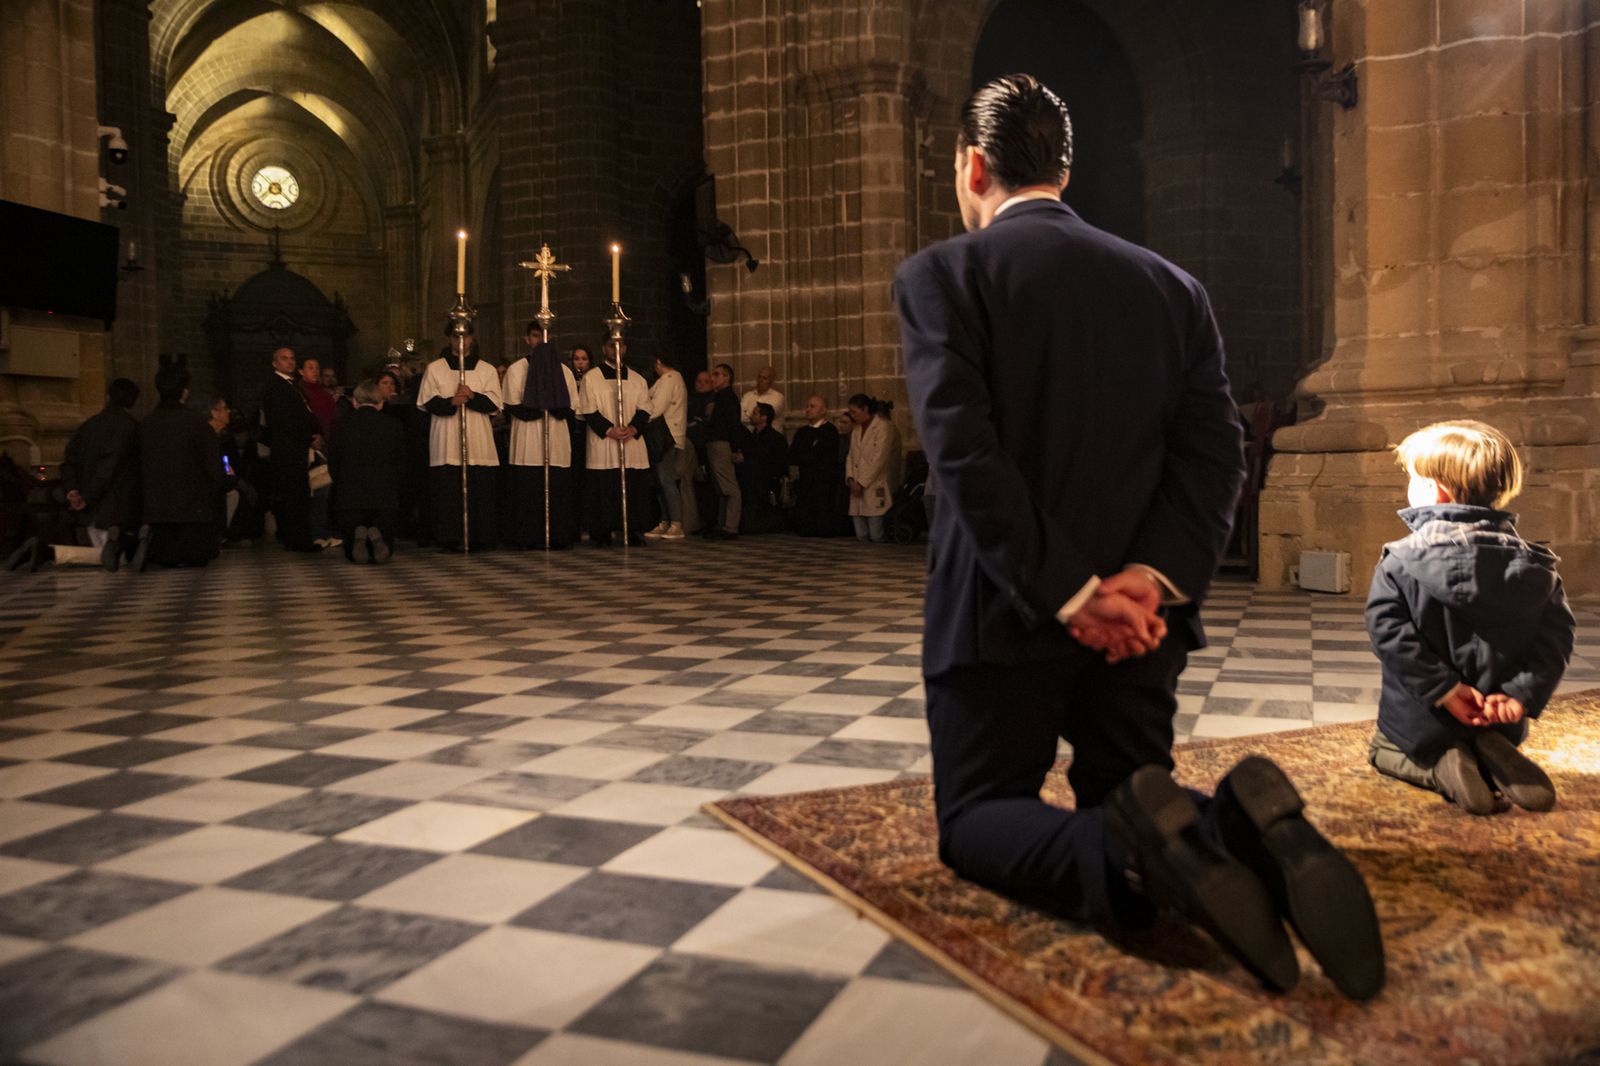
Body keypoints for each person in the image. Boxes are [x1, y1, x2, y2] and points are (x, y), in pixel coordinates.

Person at [896, 73, 1383, 1001]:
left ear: (972, 168)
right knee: (1129, 776)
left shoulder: (942, 277)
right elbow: (1217, 458)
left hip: (1003, 614)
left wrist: (1074, 596)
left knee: (978, 818)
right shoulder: (1173, 288)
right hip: (1145, 632)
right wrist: (1146, 586)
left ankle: (1129, 853)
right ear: (1065, 172)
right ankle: (1246, 829)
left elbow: (965, 456)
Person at [1365, 420, 1574, 816]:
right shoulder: (1537, 566)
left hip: (1426, 716)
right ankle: (1489, 749)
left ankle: (1442, 768)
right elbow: (1557, 638)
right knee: (1489, 733)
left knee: (1383, 749)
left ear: (1433, 489)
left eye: (1412, 476)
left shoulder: (1402, 560)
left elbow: (1388, 633)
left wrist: (1444, 689)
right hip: (1499, 714)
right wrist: (1521, 694)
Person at [132, 364, 222, 570]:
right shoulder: (197, 424)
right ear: (185, 392)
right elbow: (212, 466)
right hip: (192, 512)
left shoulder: (146, 424)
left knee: (164, 557)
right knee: (194, 558)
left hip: (157, 511)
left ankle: (146, 541)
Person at [418, 333, 502, 551]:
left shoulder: (487, 369)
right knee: (448, 494)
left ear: (472, 339)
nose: (461, 342)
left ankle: (480, 537)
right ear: (449, 339)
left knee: (479, 492)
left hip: (478, 440)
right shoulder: (435, 368)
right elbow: (427, 402)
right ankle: (449, 538)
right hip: (447, 440)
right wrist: (452, 402)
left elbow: (494, 404)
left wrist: (472, 396)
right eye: (456, 337)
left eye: (465, 337)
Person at [503, 323, 580, 549]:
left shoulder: (563, 371)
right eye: (536, 336)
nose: (541, 340)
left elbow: (570, 407)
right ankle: (527, 536)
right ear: (527, 339)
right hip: (528, 441)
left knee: (558, 491)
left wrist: (551, 404)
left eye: (545, 336)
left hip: (555, 440)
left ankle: (558, 536)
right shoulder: (517, 370)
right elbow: (513, 405)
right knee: (529, 492)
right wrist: (541, 404)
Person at [579, 337, 654, 546]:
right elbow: (588, 409)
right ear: (604, 348)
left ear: (626, 348)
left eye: (620, 345)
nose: (616, 349)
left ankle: (631, 529)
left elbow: (645, 408)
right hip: (604, 443)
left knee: (633, 488)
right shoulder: (592, 377)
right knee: (604, 488)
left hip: (631, 442)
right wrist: (609, 430)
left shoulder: (638, 379)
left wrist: (633, 428)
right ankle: (601, 531)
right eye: (612, 345)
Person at [60, 377, 142, 570]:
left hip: (89, 511)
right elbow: (109, 468)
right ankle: (48, 553)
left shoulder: (88, 426)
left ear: (108, 397)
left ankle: (49, 552)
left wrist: (72, 490)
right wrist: (88, 497)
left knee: (101, 556)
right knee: (117, 560)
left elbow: (69, 459)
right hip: (115, 507)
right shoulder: (130, 427)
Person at [328, 379, 406, 563]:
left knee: (351, 554)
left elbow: (334, 461)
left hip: (351, 498)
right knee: (386, 547)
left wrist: (340, 484)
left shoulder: (340, 425)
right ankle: (377, 536)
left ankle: (359, 533)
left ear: (354, 402)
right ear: (380, 403)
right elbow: (401, 462)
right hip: (384, 498)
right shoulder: (393, 425)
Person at [260, 346, 320, 551]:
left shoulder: (293, 385)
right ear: (275, 363)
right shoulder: (275, 387)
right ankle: (298, 540)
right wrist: (308, 438)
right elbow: (284, 421)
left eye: (293, 358)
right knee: (294, 494)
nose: (290, 362)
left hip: (296, 447)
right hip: (288, 448)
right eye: (284, 359)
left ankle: (298, 537)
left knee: (299, 494)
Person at [644, 353, 693, 540]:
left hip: (666, 436)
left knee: (666, 479)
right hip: (667, 435)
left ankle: (676, 523)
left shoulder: (669, 379)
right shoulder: (674, 378)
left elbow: (656, 407)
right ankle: (665, 521)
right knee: (660, 480)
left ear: (658, 362)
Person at [787, 395, 847, 537]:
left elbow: (823, 456)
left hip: (823, 481)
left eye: (812, 406)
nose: (808, 409)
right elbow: (793, 455)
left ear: (823, 410)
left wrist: (807, 455)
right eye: (807, 406)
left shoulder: (829, 431)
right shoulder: (802, 432)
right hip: (805, 480)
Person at [843, 394, 900, 543]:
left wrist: (861, 483)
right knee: (861, 535)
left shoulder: (882, 427)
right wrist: (850, 479)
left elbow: (879, 459)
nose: (852, 416)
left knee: (876, 535)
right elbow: (850, 456)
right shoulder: (856, 430)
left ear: (865, 409)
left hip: (874, 483)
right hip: (855, 485)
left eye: (854, 412)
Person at [696, 362, 742, 539]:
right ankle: (722, 524)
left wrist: (736, 447)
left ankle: (731, 526)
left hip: (722, 444)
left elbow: (733, 425)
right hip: (714, 443)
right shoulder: (718, 397)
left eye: (716, 375)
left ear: (727, 377)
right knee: (720, 487)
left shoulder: (728, 398)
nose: (712, 378)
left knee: (729, 487)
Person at [737, 402, 788, 534]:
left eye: (755, 413)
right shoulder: (751, 436)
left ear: (764, 417)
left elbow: (772, 460)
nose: (751, 415)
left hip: (765, 480)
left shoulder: (775, 438)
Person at [299, 356, 338, 439]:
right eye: (310, 368)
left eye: (317, 368)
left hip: (331, 436)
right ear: (301, 372)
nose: (315, 371)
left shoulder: (324, 392)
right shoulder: (299, 392)